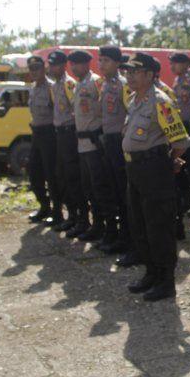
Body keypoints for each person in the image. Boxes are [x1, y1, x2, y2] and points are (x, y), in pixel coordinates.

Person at [120, 52, 190, 301]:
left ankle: (166, 281)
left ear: (150, 75)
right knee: (140, 224)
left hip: (154, 169)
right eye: (127, 72)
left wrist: (168, 160)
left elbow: (180, 140)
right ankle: (151, 273)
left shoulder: (160, 101)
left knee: (158, 226)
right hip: (135, 170)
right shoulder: (134, 99)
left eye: (135, 72)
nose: (129, 76)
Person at [69, 49, 118, 245]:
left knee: (101, 188)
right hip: (82, 144)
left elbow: (105, 112)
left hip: (95, 143)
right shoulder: (78, 85)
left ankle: (107, 228)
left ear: (86, 64)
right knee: (89, 188)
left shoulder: (96, 82)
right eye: (71, 64)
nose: (73, 67)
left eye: (77, 63)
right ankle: (96, 225)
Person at [98, 45, 133, 258]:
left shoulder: (123, 85)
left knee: (124, 192)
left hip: (120, 143)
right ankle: (117, 235)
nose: (101, 65)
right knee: (111, 190)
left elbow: (131, 113)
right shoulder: (105, 85)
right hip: (108, 142)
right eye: (100, 60)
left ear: (117, 63)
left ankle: (128, 238)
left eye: (106, 61)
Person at [49, 51, 84, 237]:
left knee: (72, 176)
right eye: (50, 64)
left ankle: (78, 217)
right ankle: (71, 215)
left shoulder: (69, 84)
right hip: (59, 135)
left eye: (55, 65)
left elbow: (75, 109)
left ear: (63, 66)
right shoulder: (55, 85)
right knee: (61, 175)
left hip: (70, 134)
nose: (51, 68)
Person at [26, 55, 61, 226]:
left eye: (37, 68)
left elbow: (58, 111)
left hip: (49, 133)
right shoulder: (32, 88)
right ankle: (44, 206)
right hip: (36, 133)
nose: (34, 72)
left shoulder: (51, 88)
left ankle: (57, 211)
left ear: (44, 69)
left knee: (51, 173)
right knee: (33, 171)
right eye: (31, 69)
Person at [170, 52, 190, 241]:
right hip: (180, 125)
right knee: (182, 169)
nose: (172, 66)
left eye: (175, 63)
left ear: (185, 64)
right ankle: (188, 201)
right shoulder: (177, 81)